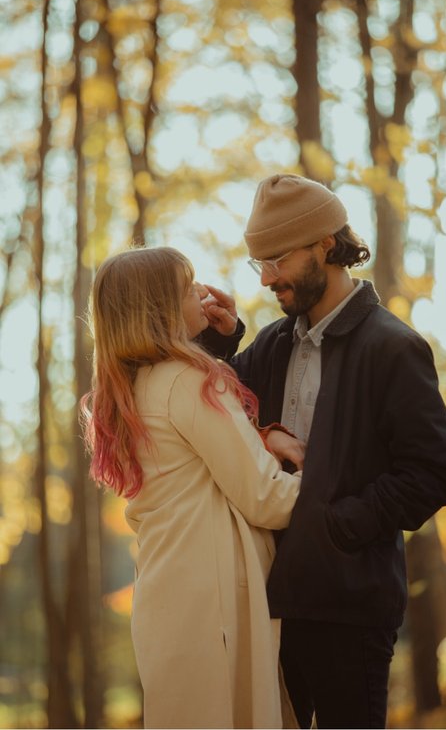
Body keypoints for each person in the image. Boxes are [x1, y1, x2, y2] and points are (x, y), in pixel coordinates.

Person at [199, 173, 446, 729]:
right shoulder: (270, 343)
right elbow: (219, 412)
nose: (268, 278)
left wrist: (340, 524)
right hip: (270, 603)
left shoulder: (395, 347)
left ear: (326, 243)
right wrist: (221, 341)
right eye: (260, 265)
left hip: (351, 607)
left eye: (278, 260)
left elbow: (435, 474)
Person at [80, 246, 302, 728]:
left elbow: (197, 468)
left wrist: (261, 440)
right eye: (188, 287)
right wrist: (326, 472)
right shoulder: (190, 382)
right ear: (158, 308)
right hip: (215, 604)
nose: (204, 291)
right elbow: (265, 498)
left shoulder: (128, 392)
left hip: (166, 601)